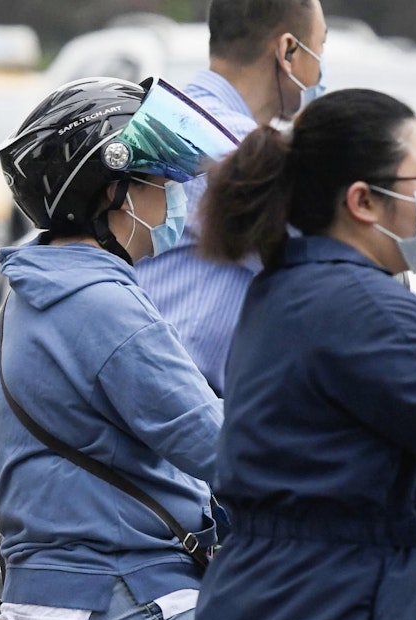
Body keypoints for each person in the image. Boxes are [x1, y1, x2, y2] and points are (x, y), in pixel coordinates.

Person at [0, 76, 240, 620]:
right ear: (112, 193)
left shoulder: (34, 295)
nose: (174, 198)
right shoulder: (101, 305)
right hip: (121, 591)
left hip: (59, 590)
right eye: (158, 182)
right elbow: (221, 447)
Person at [195, 89, 416, 620]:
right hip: (339, 596)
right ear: (363, 202)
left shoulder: (290, 287)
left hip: (282, 591)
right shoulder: (363, 307)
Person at [133, 0, 328, 395]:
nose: (322, 67)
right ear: (288, 50)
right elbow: (327, 263)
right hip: (178, 410)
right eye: (321, 47)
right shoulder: (233, 147)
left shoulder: (167, 117)